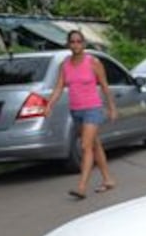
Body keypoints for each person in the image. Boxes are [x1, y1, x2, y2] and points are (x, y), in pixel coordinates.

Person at [44, 30, 117, 199]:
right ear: (68, 44)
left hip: (93, 108)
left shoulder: (93, 62)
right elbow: (59, 87)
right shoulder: (65, 65)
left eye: (79, 41)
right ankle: (108, 179)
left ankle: (82, 187)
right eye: (72, 42)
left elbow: (105, 86)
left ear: (84, 44)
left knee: (85, 146)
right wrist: (49, 104)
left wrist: (112, 107)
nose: (76, 44)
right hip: (76, 110)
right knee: (94, 145)